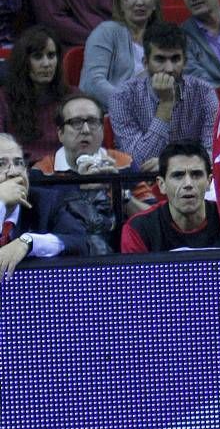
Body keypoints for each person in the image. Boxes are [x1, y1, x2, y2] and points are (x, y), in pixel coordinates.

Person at [31, 90, 136, 253]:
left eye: (93, 121)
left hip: (118, 259)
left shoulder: (124, 164)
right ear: (60, 133)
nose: (86, 130)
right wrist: (79, 186)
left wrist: (117, 191)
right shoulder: (42, 172)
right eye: (76, 122)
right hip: (66, 261)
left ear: (102, 129)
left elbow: (150, 217)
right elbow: (40, 226)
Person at [110, 20, 219, 170]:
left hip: (193, 181)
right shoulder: (123, 97)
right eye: (160, 59)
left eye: (175, 59)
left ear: (185, 62)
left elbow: (213, 154)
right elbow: (138, 162)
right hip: (142, 186)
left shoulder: (204, 93)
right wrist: (165, 105)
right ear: (145, 62)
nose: (168, 69)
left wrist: (167, 164)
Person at [0, 131, 89, 283]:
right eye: (1, 164)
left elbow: (81, 244)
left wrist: (28, 241)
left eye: (18, 163)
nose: (14, 172)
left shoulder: (45, 201)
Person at [80, 0, 162, 109]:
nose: (139, 2)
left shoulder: (162, 36)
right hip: (115, 115)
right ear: (121, 3)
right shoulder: (106, 32)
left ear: (154, 2)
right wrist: (130, 105)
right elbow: (92, 83)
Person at [121, 140, 220, 251]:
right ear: (161, 184)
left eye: (196, 175)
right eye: (178, 176)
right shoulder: (138, 229)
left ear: (209, 181)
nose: (188, 184)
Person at [0, 27, 65, 161]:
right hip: (22, 173)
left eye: (51, 55)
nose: (46, 64)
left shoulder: (72, 97)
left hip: (66, 174)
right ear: (23, 61)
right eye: (37, 56)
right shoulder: (4, 100)